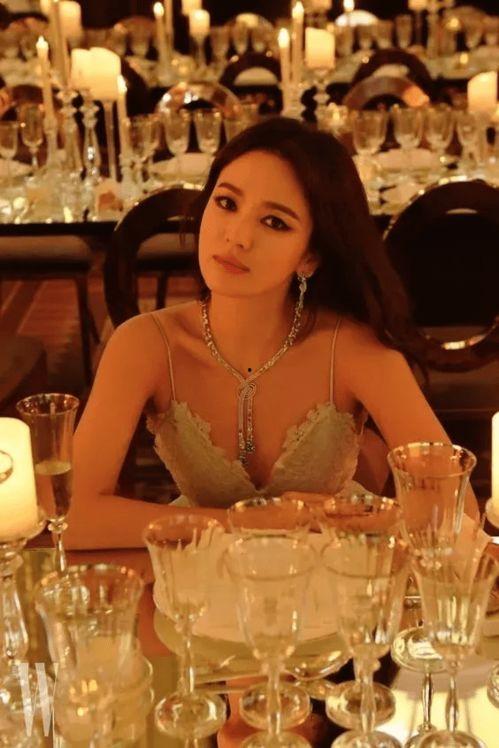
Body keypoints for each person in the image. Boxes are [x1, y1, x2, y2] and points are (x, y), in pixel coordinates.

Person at [67, 117, 476, 550]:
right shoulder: (145, 344)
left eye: (275, 222)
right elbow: (73, 518)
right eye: (227, 203)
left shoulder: (353, 348)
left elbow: (456, 512)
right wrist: (252, 523)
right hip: (202, 571)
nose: (237, 236)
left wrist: (343, 517)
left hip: (332, 568)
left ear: (310, 257)